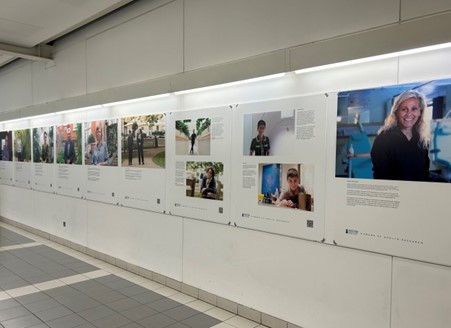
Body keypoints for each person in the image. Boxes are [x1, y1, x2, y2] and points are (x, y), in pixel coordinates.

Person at [370, 90, 430, 181]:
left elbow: (425, 171)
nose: (409, 114)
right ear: (396, 112)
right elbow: (381, 175)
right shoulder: (383, 139)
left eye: (414, 109)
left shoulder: (421, 139)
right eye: (404, 109)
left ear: (420, 112)